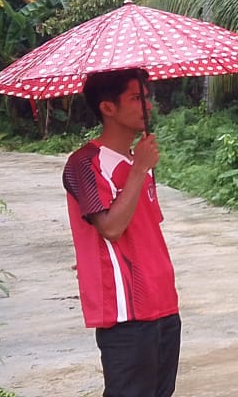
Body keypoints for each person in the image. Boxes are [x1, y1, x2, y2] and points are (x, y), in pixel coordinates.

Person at [62, 68, 181, 397]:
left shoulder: (136, 160)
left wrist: (140, 166)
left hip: (163, 301)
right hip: (125, 310)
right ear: (107, 107)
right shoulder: (85, 163)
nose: (148, 106)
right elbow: (111, 228)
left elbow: (145, 229)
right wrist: (140, 168)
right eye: (136, 98)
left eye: (147, 97)